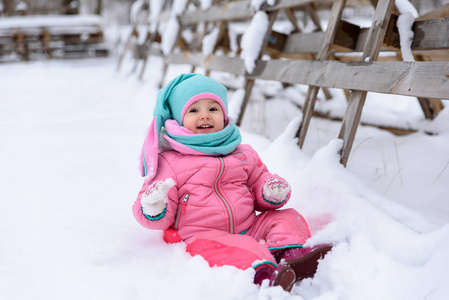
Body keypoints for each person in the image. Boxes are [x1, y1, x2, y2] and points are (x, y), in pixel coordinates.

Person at [133, 73, 331, 292]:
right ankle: (264, 273)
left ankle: (290, 254)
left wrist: (270, 190)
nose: (205, 116)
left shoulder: (242, 154)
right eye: (194, 110)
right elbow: (158, 215)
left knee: (287, 216)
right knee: (237, 248)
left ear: (225, 115)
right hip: (202, 235)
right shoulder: (170, 160)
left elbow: (259, 182)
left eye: (213, 109)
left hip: (248, 225)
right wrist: (155, 205)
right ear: (179, 118)